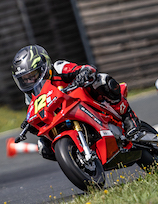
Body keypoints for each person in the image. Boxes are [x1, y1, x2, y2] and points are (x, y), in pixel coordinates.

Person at [11, 45, 141, 160]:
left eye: (33, 75)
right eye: (25, 79)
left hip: (85, 100)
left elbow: (87, 68)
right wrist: (30, 124)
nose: (30, 81)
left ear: (44, 66)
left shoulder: (59, 68)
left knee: (102, 80)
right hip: (60, 117)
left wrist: (83, 73)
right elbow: (36, 112)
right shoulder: (30, 95)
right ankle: (76, 157)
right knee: (43, 147)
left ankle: (129, 117)